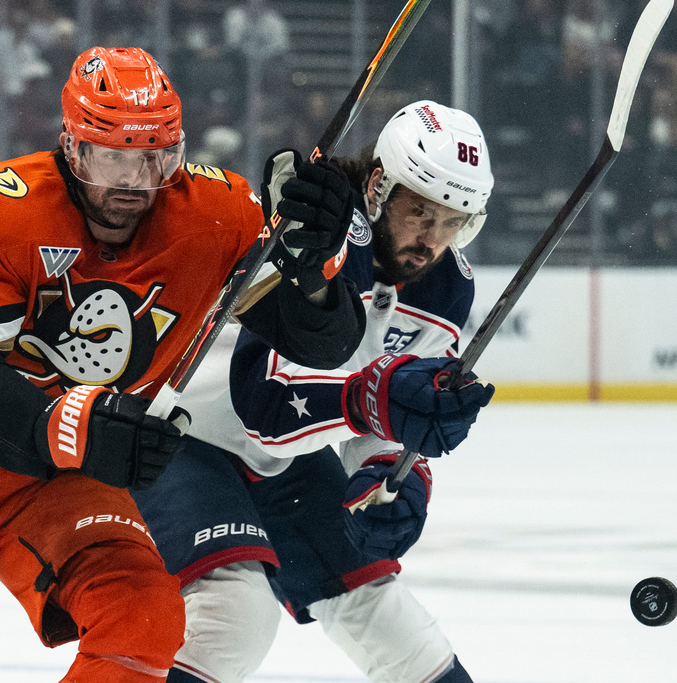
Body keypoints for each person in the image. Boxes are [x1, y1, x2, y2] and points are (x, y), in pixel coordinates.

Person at [0, 46, 365, 682]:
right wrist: (76, 423)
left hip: (52, 480)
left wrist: (313, 267)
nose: (135, 181)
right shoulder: (4, 209)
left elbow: (323, 343)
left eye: (153, 158)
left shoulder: (215, 216)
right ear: (73, 145)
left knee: (143, 618)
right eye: (113, 155)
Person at [132, 100, 497, 683]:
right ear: (380, 186)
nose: (433, 240)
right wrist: (380, 403)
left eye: (454, 222)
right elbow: (269, 408)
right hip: (177, 434)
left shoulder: (448, 288)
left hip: (284, 460)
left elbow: (386, 409)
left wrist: (391, 476)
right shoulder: (318, 226)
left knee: (389, 618)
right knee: (235, 616)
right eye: (422, 213)